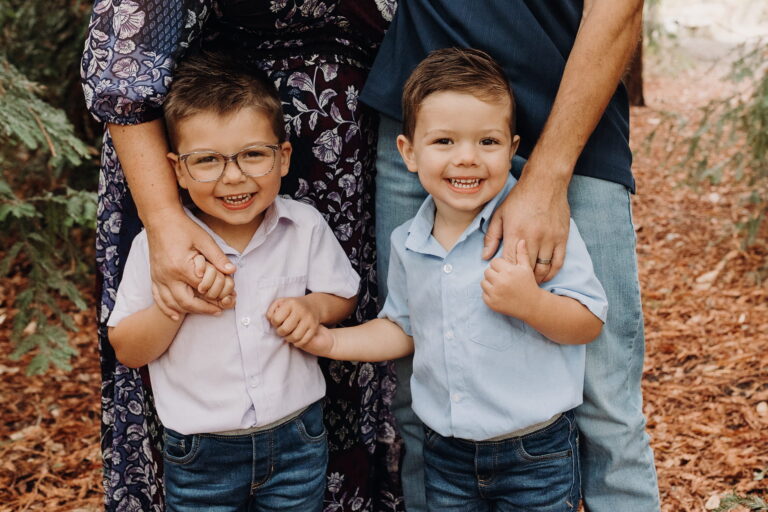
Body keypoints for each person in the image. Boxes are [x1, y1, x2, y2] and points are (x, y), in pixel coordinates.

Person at [81, 2, 401, 510]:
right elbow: (128, 348)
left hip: (299, 439)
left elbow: (343, 293)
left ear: (283, 157)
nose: (233, 177)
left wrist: (313, 311)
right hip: (200, 454)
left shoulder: (304, 226)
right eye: (207, 161)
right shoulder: (160, 245)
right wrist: (173, 303)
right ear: (178, 170)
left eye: (253, 155)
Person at [360, 2, 661, 511]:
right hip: (426, 99)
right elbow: (401, 330)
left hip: (570, 92)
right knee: (416, 396)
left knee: (608, 408)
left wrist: (547, 177)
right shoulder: (421, 148)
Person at [290, 48, 609, 511]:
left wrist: (529, 303)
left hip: (533, 452)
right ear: (409, 152)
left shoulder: (531, 231)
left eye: (487, 142)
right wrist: (330, 343)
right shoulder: (408, 241)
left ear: (512, 148)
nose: (467, 159)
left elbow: (588, 321)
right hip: (447, 452)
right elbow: (401, 327)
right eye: (444, 142)